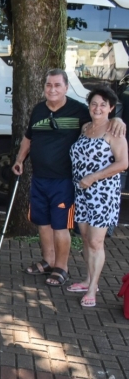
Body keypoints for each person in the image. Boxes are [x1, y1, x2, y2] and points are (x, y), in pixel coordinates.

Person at [13, 69, 125, 287]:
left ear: (65, 87)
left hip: (63, 181)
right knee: (43, 223)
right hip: (39, 178)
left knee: (60, 225)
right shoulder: (38, 110)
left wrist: (119, 119)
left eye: (57, 85)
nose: (52, 89)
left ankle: (61, 267)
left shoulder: (79, 110)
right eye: (49, 85)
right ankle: (48, 260)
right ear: (44, 87)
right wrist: (19, 160)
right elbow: (28, 138)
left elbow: (102, 116)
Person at [68, 87, 128, 307]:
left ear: (111, 108)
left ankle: (93, 288)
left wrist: (94, 177)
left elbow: (123, 163)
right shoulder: (85, 128)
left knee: (95, 241)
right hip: (82, 192)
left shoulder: (114, 131)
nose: (98, 108)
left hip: (103, 194)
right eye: (94, 103)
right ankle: (86, 279)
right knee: (85, 238)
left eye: (104, 104)